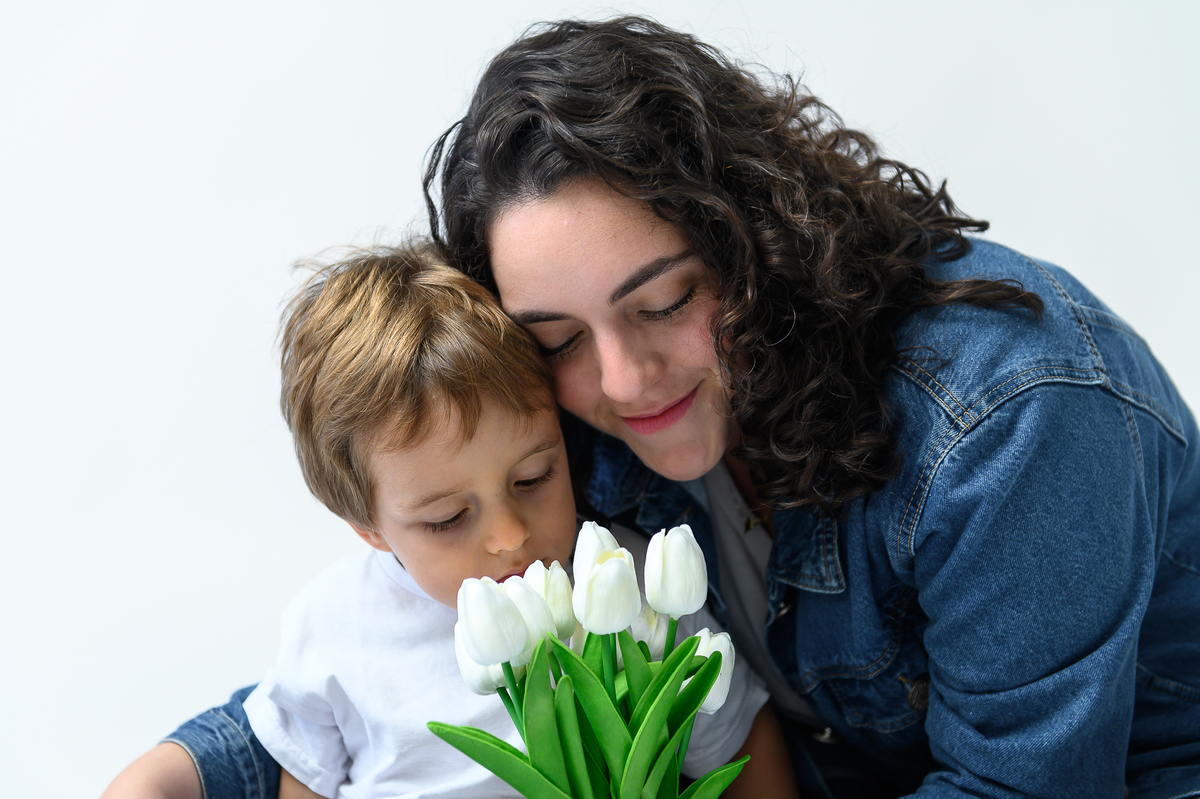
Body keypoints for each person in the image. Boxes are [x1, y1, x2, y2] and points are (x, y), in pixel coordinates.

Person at [421, 16, 1200, 798]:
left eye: (664, 301)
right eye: (557, 339)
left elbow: (1019, 788)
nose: (622, 380)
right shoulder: (560, 429)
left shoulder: (1004, 417)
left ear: (757, 238)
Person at [100, 243, 795, 798]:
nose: (509, 535)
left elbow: (736, 732)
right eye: (446, 518)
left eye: (533, 477)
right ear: (367, 524)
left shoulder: (627, 581)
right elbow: (303, 772)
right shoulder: (337, 624)